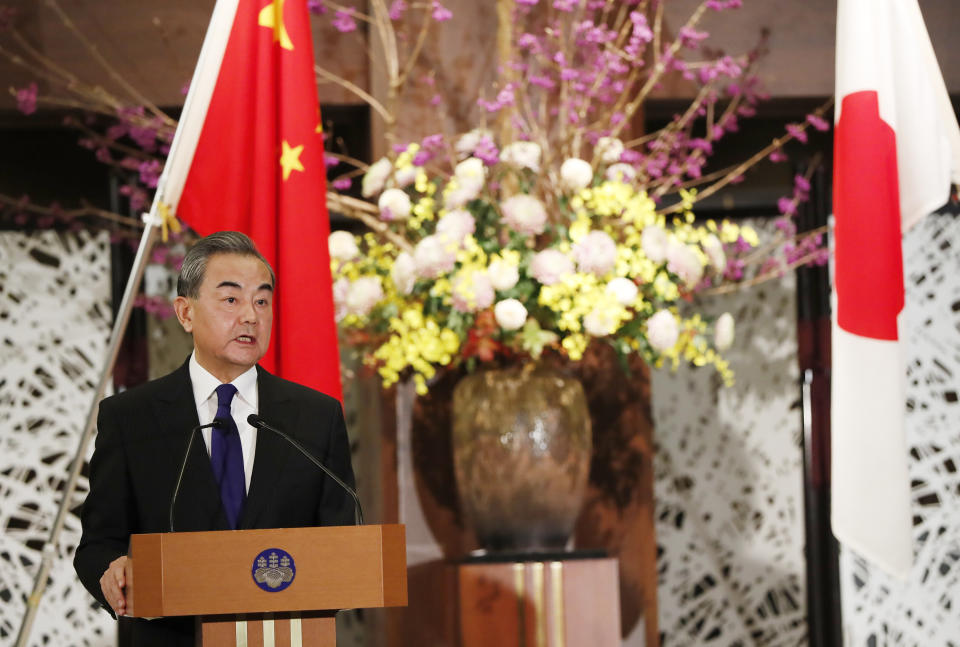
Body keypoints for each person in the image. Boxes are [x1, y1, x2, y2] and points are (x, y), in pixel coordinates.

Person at [73, 231, 355, 647]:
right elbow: (99, 542)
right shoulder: (131, 418)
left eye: (262, 301)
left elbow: (341, 544)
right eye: (231, 300)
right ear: (185, 313)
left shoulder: (316, 417)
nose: (251, 316)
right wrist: (111, 571)